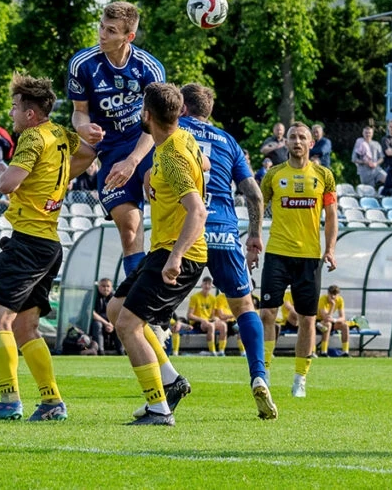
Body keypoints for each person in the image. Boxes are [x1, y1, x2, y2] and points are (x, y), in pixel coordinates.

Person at [0, 73, 94, 421]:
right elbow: (88, 153)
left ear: (30, 114)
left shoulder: (31, 137)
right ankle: (51, 402)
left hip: (28, 242)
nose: (11, 113)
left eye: (15, 107)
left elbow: (8, 185)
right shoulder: (59, 133)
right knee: (24, 327)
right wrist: (55, 179)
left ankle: (9, 400)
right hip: (49, 243)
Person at [108, 82, 206, 427]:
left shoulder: (173, 155)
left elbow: (197, 211)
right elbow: (203, 164)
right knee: (115, 308)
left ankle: (158, 408)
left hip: (178, 253)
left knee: (128, 325)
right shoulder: (180, 140)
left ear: (146, 115)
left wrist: (176, 257)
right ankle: (171, 381)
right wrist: (153, 172)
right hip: (162, 248)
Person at [179, 83, 276, 417]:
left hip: (185, 230)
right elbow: (255, 194)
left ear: (182, 107)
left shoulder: (173, 129)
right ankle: (259, 376)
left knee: (149, 308)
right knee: (244, 306)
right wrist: (254, 236)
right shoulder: (228, 141)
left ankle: (160, 384)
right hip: (223, 230)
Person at [68, 1, 165, 280]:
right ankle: (137, 290)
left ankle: (166, 274)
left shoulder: (149, 69)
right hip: (110, 150)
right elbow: (79, 112)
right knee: (130, 228)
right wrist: (83, 128)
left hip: (144, 141)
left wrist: (133, 161)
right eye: (101, 26)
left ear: (128, 36)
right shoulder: (82, 64)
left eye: (111, 30)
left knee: (156, 188)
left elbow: (157, 125)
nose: (102, 34)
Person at [258, 122, 338, 399]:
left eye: (302, 137)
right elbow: (258, 206)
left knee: (307, 319)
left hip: (309, 257)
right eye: (292, 137)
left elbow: (332, 215)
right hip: (277, 252)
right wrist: (254, 238)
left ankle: (300, 379)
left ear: (311, 143)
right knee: (267, 313)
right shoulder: (273, 174)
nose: (297, 141)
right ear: (286, 142)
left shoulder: (324, 175)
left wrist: (330, 249)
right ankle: (264, 372)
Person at [186, 276, 227, 356]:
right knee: (211, 325)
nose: (207, 286)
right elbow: (189, 315)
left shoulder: (213, 299)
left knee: (223, 325)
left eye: (209, 284)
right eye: (205, 284)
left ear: (211, 286)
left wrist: (216, 318)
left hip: (208, 322)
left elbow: (212, 316)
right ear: (202, 285)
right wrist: (202, 320)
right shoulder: (194, 297)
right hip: (197, 322)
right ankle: (212, 352)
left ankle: (221, 351)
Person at [90, 278, 122, 356]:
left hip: (111, 322)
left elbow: (118, 312)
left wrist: (111, 323)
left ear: (111, 288)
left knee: (120, 325)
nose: (106, 288)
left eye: (108, 286)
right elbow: (91, 313)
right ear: (99, 287)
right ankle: (100, 351)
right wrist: (106, 323)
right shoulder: (92, 296)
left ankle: (121, 351)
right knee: (97, 325)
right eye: (103, 286)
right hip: (97, 322)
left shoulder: (115, 297)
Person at [317, 285, 350, 357]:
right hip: (318, 322)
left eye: (335, 294)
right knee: (328, 325)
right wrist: (332, 305)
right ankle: (323, 352)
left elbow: (343, 317)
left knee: (345, 325)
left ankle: (345, 352)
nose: (333, 296)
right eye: (331, 294)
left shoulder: (340, 300)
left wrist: (334, 320)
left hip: (330, 321)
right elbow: (325, 318)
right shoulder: (322, 299)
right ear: (328, 293)